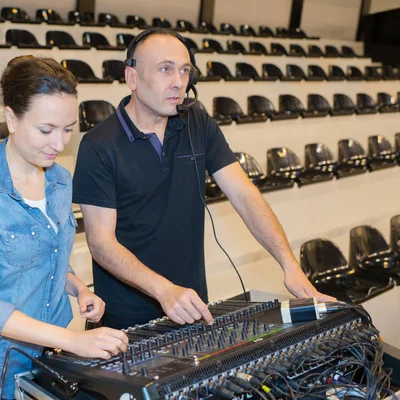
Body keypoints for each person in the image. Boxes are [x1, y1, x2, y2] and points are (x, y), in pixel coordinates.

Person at [72, 28, 336, 330]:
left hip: (191, 307)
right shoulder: (98, 145)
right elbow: (100, 242)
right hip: (125, 321)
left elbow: (245, 196)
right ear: (132, 77)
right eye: (165, 70)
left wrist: (289, 265)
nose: (179, 83)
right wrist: (164, 290)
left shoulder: (197, 122)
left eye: (185, 71)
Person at [0, 56, 128, 400]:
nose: (59, 144)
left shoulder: (59, 179)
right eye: (46, 130)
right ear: (12, 118)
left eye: (68, 129)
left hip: (48, 356)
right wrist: (73, 340)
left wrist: (77, 288)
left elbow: (49, 255)